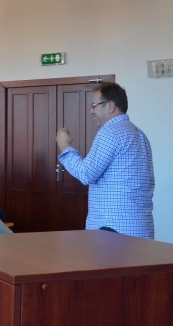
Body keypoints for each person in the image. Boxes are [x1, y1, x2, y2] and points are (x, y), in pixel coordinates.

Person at [56, 82, 154, 239]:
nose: (91, 111)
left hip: (112, 230)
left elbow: (86, 174)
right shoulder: (140, 135)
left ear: (110, 106)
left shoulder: (110, 132)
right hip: (139, 228)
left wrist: (65, 146)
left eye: (94, 105)